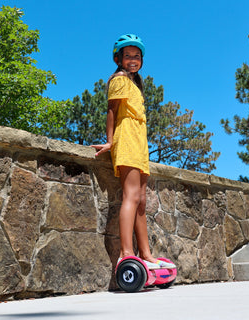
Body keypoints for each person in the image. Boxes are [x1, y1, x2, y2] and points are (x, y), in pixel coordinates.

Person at [91, 34, 175, 269]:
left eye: (136, 56)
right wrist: (110, 141)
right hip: (126, 139)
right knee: (131, 196)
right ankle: (126, 253)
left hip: (140, 143)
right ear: (118, 58)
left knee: (141, 201)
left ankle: (146, 254)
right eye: (127, 55)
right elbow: (112, 111)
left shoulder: (136, 83)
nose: (132, 59)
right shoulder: (118, 79)